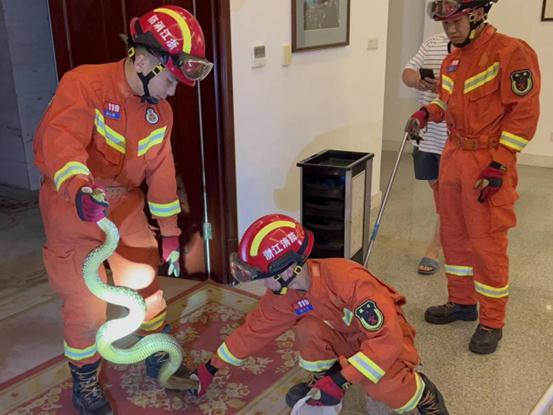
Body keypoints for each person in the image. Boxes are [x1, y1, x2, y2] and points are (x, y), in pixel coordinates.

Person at [33, 5, 213, 414]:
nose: (171, 92)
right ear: (144, 59)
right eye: (170, 80)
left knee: (144, 279)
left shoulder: (160, 112)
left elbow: (162, 171)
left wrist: (168, 229)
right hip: (72, 202)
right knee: (85, 304)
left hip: (125, 203)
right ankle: (85, 383)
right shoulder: (85, 85)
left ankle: (153, 350)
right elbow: (61, 140)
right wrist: (79, 189)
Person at [187, 214, 449, 414]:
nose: (262, 285)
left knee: (380, 386)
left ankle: (425, 393)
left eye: (264, 277)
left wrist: (343, 379)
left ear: (288, 271)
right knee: (307, 329)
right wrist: (211, 367)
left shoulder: (348, 280)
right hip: (348, 338)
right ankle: (322, 380)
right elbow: (253, 331)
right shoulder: (284, 294)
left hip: (386, 340)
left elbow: (386, 339)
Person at [405, 0, 540, 354]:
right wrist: (425, 112)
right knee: (454, 234)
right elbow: (448, 104)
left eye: (457, 21)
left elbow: (523, 114)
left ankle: (492, 321)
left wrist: (499, 163)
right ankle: (462, 303)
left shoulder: (511, 52)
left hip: (488, 160)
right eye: (445, 23)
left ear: (478, 14)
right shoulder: (451, 60)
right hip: (453, 156)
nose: (450, 30)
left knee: (487, 242)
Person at [402, 32, 451, 276]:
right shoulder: (433, 41)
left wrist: (444, 82)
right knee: (438, 189)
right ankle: (448, 236)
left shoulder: (474, 44)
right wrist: (417, 81)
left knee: (448, 195)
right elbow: (408, 72)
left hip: (454, 137)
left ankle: (435, 246)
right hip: (428, 134)